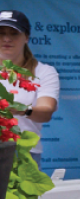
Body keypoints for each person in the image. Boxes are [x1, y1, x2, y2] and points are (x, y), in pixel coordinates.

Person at [0, 10, 60, 153]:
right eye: (1, 33)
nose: (6, 39)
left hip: (24, 153)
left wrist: (22, 110)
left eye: (14, 33)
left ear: (26, 37)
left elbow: (46, 112)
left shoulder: (44, 72)